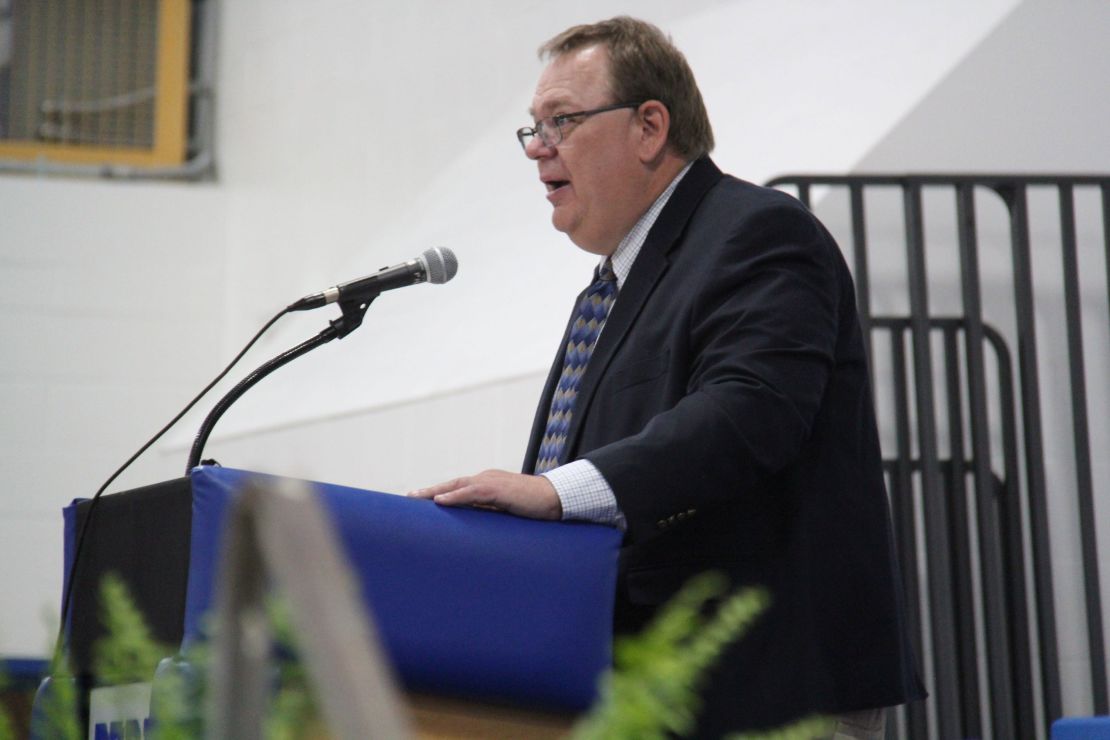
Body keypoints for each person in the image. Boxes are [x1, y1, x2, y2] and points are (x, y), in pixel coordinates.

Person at [410, 16, 924, 737]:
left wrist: (555, 493)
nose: (538, 150)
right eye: (532, 129)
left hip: (764, 687)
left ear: (650, 126)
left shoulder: (760, 234)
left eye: (562, 120)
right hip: (646, 687)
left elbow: (751, 412)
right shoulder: (609, 291)